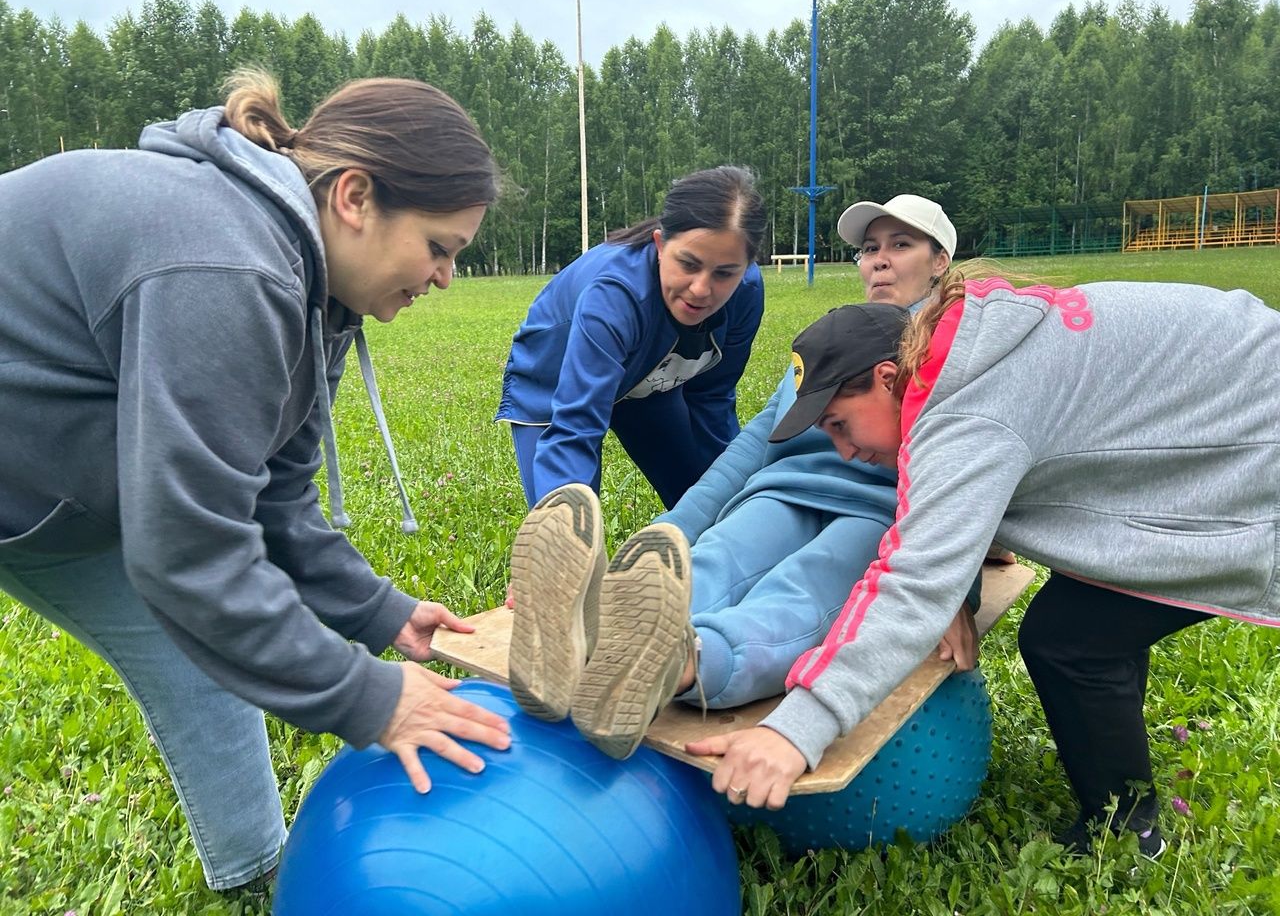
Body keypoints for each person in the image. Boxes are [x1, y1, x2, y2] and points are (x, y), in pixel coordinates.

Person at [0, 69, 512, 892]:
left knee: (205, 645)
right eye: (439, 246)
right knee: (205, 596)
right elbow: (191, 552)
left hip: (47, 480)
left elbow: (274, 495)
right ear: (353, 197)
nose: (446, 277)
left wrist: (384, 615)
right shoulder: (227, 267)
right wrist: (373, 699)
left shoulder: (316, 288)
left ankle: (257, 878)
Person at [694, 275, 1280, 856]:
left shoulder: (968, 412)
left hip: (1255, 432)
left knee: (1072, 639)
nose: (844, 451)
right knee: (1094, 617)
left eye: (841, 426)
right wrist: (956, 580)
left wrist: (797, 728)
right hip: (1238, 382)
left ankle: (1128, 833)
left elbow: (915, 583)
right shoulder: (966, 349)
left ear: (888, 378)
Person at [505, 195, 980, 752]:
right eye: (869, 248)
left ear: (941, 259)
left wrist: (954, 591)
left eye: (900, 245)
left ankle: (681, 665)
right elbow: (752, 445)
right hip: (780, 492)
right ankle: (590, 638)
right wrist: (674, 534)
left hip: (886, 518)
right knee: (715, 559)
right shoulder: (831, 338)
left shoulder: (967, 358)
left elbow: (979, 487)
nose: (879, 260)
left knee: (803, 593)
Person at [496, 166, 767, 512]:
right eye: (687, 263)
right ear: (659, 244)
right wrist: (568, 531)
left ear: (746, 266)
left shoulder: (745, 292)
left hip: (648, 384)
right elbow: (575, 427)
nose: (701, 289)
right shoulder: (616, 294)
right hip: (552, 384)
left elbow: (712, 397)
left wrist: (730, 498)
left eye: (725, 273)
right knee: (567, 520)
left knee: (708, 502)